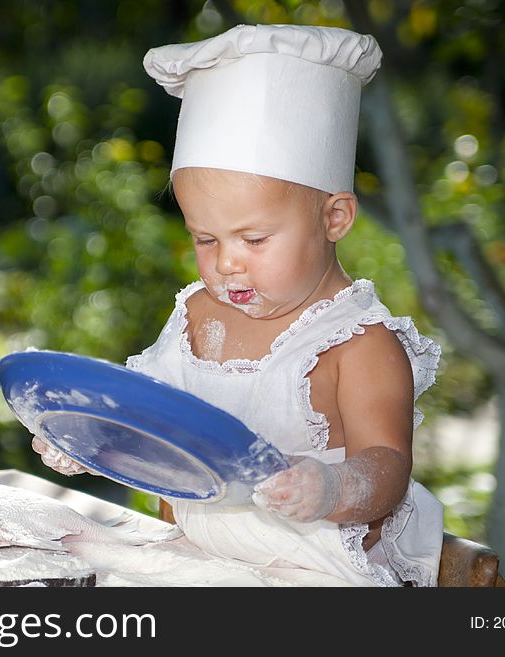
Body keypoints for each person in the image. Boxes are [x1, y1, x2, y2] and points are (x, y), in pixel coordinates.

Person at [32, 23, 444, 586]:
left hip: (312, 575)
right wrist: (89, 434)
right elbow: (146, 413)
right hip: (194, 558)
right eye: (206, 239)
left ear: (335, 219)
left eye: (253, 240)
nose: (227, 263)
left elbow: (388, 470)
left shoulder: (360, 346)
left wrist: (330, 487)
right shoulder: (201, 315)